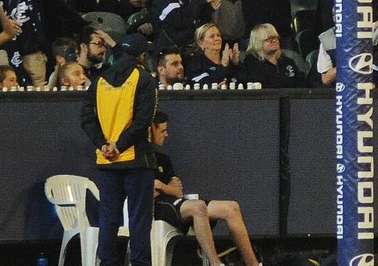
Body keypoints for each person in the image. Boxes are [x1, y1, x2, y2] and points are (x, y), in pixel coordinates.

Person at [80, 33, 158, 266]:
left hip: (107, 161)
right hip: (137, 159)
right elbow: (143, 121)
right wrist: (120, 145)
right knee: (139, 220)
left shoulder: (99, 81)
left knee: (108, 219)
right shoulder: (144, 79)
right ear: (141, 56)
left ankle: (107, 263)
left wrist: (103, 145)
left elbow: (86, 118)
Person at [149, 111, 263, 266]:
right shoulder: (140, 160)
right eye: (163, 131)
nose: (166, 134)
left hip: (177, 204)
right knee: (199, 207)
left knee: (232, 208)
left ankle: (254, 264)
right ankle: (216, 263)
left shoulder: (164, 160)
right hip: (157, 209)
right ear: (152, 130)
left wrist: (160, 185)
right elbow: (147, 192)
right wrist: (165, 187)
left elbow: (177, 192)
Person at [239, 23, 308, 88]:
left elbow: (302, 84)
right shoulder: (251, 64)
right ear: (258, 43)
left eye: (275, 37)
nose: (274, 41)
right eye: (269, 39)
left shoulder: (288, 62)